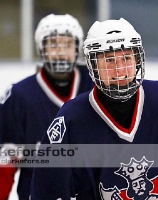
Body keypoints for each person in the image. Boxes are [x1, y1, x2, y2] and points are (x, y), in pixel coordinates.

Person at [30, 18, 158, 200]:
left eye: (126, 58)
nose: (119, 69)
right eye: (109, 60)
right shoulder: (71, 120)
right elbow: (48, 191)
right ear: (93, 65)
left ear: (137, 59)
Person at [0, 13, 94, 200]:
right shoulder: (19, 97)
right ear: (40, 49)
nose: (60, 52)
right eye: (53, 44)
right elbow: (4, 163)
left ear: (78, 48)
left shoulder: (94, 87)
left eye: (67, 44)